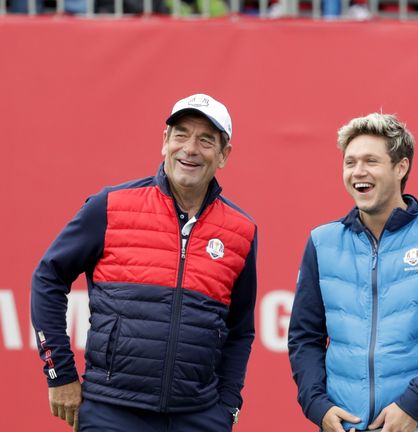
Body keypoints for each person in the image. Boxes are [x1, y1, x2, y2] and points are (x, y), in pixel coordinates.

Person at [31, 93, 257, 431]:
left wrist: (227, 407)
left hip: (199, 416)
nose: (190, 148)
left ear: (224, 155)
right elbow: (48, 277)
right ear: (164, 141)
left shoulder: (241, 230)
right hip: (111, 411)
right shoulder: (110, 206)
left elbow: (240, 331)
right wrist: (59, 373)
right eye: (181, 134)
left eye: (206, 140)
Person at [288, 113, 418, 432]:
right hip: (343, 426)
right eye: (350, 162)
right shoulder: (322, 242)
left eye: (371, 161)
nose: (358, 172)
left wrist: (411, 406)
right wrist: (317, 406)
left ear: (400, 167)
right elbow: (304, 336)